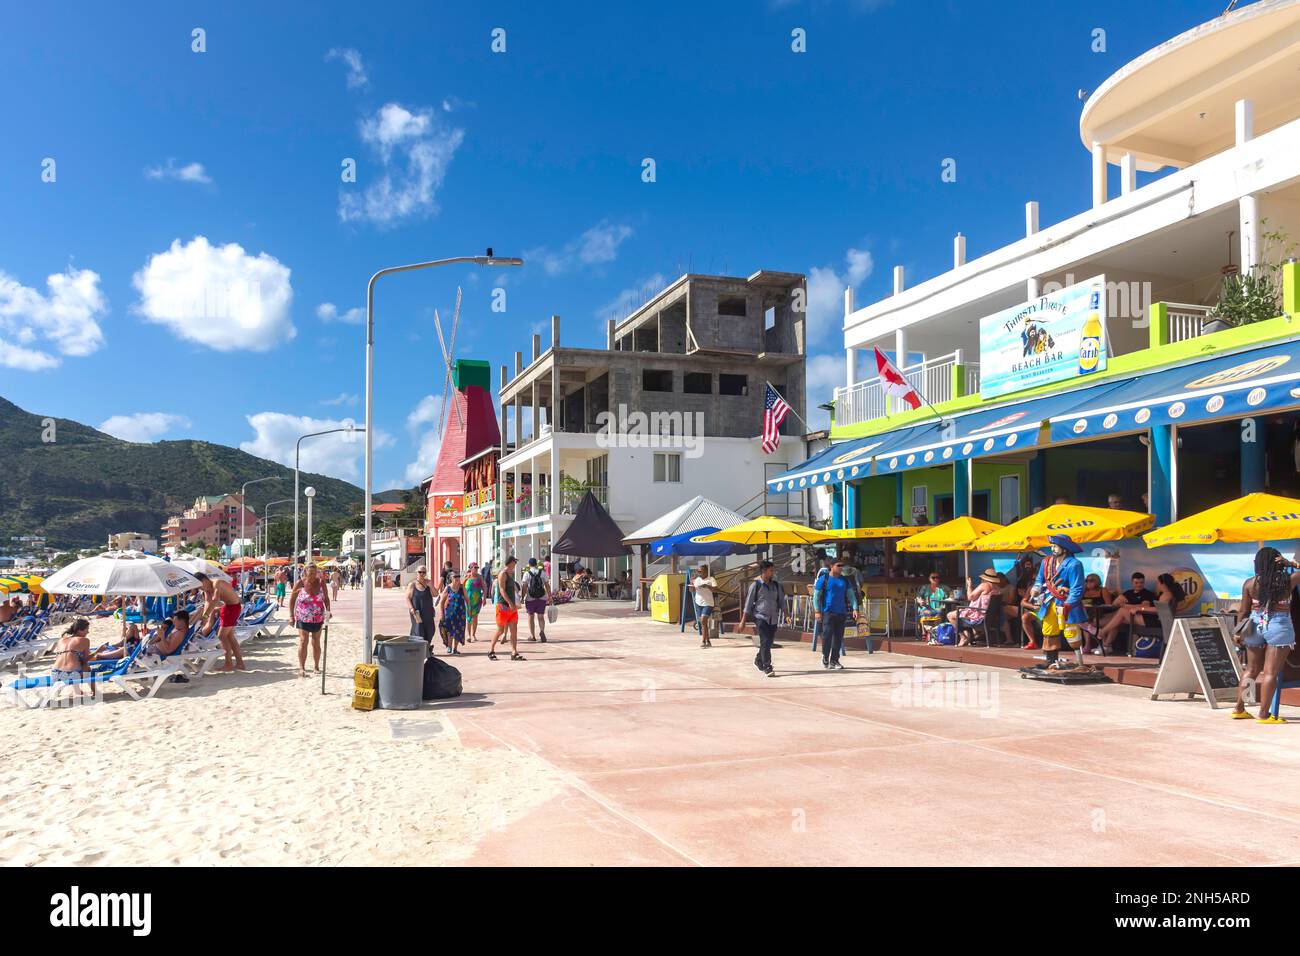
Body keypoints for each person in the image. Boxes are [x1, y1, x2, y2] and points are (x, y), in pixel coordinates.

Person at [1233, 547, 1300, 722]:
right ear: (1277, 561)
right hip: (1279, 625)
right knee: (1270, 672)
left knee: (1251, 670)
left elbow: (1243, 611)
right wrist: (1291, 563)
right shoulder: (1288, 580)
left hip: (1255, 625)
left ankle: (1239, 708)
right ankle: (1263, 714)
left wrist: (1238, 633)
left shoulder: (1250, 583)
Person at [1031, 534, 1087, 670]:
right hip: (1049, 602)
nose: (1053, 549)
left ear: (1065, 548)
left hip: (1065, 603)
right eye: (1052, 546)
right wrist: (1036, 588)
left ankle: (1080, 663)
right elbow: (1040, 580)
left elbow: (1077, 588)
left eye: (1055, 546)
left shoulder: (1074, 564)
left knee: (1071, 632)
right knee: (1049, 630)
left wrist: (1069, 604)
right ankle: (1051, 661)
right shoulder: (1046, 562)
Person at [195, 572, 245, 672]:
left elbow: (215, 600)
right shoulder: (207, 590)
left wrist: (205, 616)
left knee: (221, 636)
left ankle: (228, 664)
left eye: (200, 585)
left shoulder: (216, 582)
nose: (200, 588)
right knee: (230, 637)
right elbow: (207, 603)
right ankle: (240, 663)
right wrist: (205, 618)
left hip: (233, 607)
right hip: (227, 607)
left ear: (204, 580)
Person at [1096, 571, 1157, 653]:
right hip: (1127, 618)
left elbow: (1144, 606)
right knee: (1106, 620)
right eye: (1136, 582)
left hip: (1143, 617)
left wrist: (1126, 606)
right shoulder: (1128, 593)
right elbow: (1115, 604)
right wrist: (1118, 600)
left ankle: (1102, 634)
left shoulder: (1147, 594)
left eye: (1141, 582)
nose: (1139, 585)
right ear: (1132, 582)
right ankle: (1106, 645)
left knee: (1121, 612)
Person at [815, 558, 859, 668]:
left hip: (841, 612)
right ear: (832, 566)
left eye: (842, 565)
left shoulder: (844, 580)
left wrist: (855, 608)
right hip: (828, 612)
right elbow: (816, 597)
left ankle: (834, 660)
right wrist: (817, 611)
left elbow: (851, 595)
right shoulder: (823, 579)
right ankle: (825, 656)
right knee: (827, 636)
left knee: (838, 638)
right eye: (839, 565)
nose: (841, 568)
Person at [741, 560, 782, 677]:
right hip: (760, 617)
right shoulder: (755, 585)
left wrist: (787, 614)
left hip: (773, 618)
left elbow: (781, 601)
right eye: (771, 570)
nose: (773, 572)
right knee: (765, 640)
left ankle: (758, 660)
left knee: (768, 642)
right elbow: (748, 604)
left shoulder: (776, 585)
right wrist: (743, 621)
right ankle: (767, 666)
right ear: (764, 571)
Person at [289, 565, 330, 678]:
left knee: (316, 641)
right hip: (303, 617)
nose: (312, 575)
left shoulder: (321, 582)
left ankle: (316, 667)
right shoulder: (300, 583)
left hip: (318, 618)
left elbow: (326, 598)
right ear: (305, 572)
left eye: (314, 572)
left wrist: (328, 611)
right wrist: (291, 616)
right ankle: (302, 667)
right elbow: (292, 600)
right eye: (310, 572)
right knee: (303, 641)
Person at [949, 569, 1001, 647]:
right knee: (961, 614)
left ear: (984, 578)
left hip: (978, 615)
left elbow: (970, 597)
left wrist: (969, 585)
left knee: (950, 615)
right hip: (990, 616)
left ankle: (962, 637)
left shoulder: (984, 585)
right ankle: (968, 637)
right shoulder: (997, 588)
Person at [489, 556, 523, 661]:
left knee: (514, 630)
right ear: (510, 562)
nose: (515, 564)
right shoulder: (502, 574)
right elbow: (502, 590)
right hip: (503, 606)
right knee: (500, 630)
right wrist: (510, 603)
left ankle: (514, 652)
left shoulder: (511, 574)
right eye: (514, 562)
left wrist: (516, 601)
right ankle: (491, 651)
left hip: (512, 607)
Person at [1078, 573, 1115, 652]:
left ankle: (1096, 638)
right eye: (1086, 580)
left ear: (1097, 581)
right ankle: (1087, 644)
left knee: (1087, 620)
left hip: (1101, 613)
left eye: (1091, 580)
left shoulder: (1103, 590)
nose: (1088, 582)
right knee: (1083, 618)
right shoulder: (1084, 591)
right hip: (1087, 613)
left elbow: (1109, 605)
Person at [50, 618, 92, 685]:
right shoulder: (85, 640)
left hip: (55, 673)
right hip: (73, 674)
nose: (88, 632)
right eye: (87, 629)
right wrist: (98, 651)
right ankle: (94, 692)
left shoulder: (61, 640)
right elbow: (85, 660)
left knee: (75, 664)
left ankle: (77, 691)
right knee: (88, 669)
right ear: (79, 630)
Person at [405, 566, 438, 649]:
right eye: (420, 572)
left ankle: (427, 647)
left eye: (424, 572)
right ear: (417, 573)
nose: (422, 574)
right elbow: (407, 598)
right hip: (417, 613)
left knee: (430, 630)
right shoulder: (412, 585)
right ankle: (419, 649)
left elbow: (435, 594)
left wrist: (431, 585)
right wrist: (411, 609)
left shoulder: (428, 584)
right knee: (418, 631)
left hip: (428, 613)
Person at [437, 570, 468, 655]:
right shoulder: (448, 588)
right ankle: (450, 647)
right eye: (455, 577)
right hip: (449, 613)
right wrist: (442, 613)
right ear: (451, 578)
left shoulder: (462, 587)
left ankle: (455, 648)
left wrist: (469, 609)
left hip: (460, 612)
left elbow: (467, 599)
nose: (457, 578)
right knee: (450, 630)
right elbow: (442, 602)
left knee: (459, 630)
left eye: (458, 576)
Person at [521, 557, 551, 643]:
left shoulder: (527, 573)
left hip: (530, 598)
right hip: (542, 597)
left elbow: (524, 586)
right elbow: (547, 585)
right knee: (541, 616)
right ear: (536, 564)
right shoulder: (543, 573)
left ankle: (532, 635)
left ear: (529, 564)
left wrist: (522, 597)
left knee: (531, 616)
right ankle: (542, 631)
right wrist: (550, 596)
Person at [914, 573, 951, 642]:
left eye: (937, 577)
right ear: (929, 579)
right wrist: (921, 601)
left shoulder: (944, 588)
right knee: (925, 612)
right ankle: (924, 633)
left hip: (939, 608)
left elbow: (951, 595)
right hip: (926, 607)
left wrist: (949, 598)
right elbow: (918, 597)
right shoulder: (925, 588)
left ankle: (935, 633)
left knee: (939, 613)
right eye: (933, 577)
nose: (935, 579)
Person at [691, 563, 718, 648]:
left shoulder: (711, 579)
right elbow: (691, 590)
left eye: (701, 571)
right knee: (703, 623)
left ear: (706, 572)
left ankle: (703, 641)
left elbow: (715, 590)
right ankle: (708, 640)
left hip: (708, 603)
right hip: (698, 602)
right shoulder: (697, 580)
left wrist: (707, 586)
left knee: (703, 620)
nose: (699, 573)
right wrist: (691, 586)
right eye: (698, 571)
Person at [464, 563, 484, 642]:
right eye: (475, 567)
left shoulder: (479, 577)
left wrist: (485, 597)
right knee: (468, 618)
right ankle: (468, 635)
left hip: (477, 600)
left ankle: (473, 634)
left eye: (477, 567)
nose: (476, 569)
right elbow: (461, 586)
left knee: (475, 618)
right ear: (471, 568)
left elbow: (484, 587)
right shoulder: (467, 577)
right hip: (468, 600)